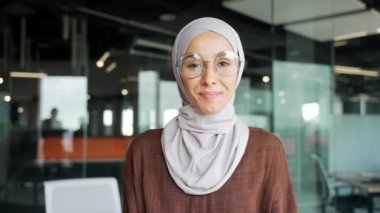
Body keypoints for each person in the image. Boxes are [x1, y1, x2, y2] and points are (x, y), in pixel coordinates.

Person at [123, 17, 298, 212]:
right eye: (194, 65)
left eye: (223, 63)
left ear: (238, 69)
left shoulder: (265, 149)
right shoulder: (144, 151)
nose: (209, 78)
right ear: (178, 71)